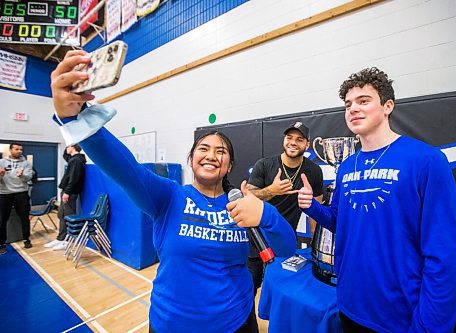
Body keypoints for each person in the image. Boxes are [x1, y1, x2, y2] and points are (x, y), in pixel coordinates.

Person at [50, 50, 296, 333]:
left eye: (221, 151)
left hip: (236, 322)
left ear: (229, 166)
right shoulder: (168, 197)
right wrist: (75, 118)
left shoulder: (243, 205)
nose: (212, 155)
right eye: (203, 149)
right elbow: (125, 168)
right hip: (172, 323)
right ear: (191, 160)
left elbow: (287, 251)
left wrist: (266, 214)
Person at [297, 67, 456, 332]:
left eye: (364, 101)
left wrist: (429, 327)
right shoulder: (347, 166)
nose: (353, 109)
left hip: (401, 317)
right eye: (348, 104)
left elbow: (445, 255)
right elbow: (341, 223)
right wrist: (312, 207)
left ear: (388, 106)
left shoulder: (426, 160)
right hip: (350, 306)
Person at [246, 122, 323, 295]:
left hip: (285, 240)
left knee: (283, 289)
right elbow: (248, 199)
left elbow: (316, 213)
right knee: (251, 285)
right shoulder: (265, 165)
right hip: (257, 238)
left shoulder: (314, 171)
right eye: (289, 138)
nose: (293, 142)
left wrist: (315, 246)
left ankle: (276, 321)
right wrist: (271, 191)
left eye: (299, 139)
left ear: (307, 144)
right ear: (284, 140)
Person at [45, 144, 86, 251]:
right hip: (67, 191)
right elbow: (65, 155)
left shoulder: (77, 161)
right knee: (61, 214)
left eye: (68, 146)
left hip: (70, 192)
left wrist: (67, 192)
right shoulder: (73, 159)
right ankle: (61, 238)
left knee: (68, 215)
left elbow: (74, 178)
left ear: (72, 147)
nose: (66, 148)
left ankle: (68, 241)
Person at [0, 143, 34, 254]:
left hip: (21, 193)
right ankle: (1, 243)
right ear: (11, 150)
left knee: (25, 218)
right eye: (17, 149)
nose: (19, 151)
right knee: (2, 220)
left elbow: (29, 177)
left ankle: (26, 239)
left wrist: (22, 175)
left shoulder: (26, 164)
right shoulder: (1, 162)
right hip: (4, 194)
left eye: (21, 149)